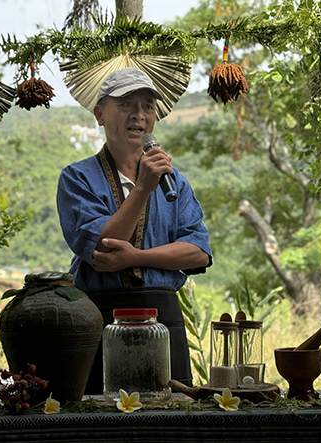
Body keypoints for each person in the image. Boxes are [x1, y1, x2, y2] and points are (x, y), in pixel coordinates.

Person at [56, 67, 212, 393]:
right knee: (103, 423)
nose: (139, 115)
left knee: (170, 423)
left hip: (164, 317)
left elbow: (198, 253)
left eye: (148, 106)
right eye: (126, 104)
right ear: (100, 114)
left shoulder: (175, 182)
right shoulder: (77, 178)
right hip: (101, 319)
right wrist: (143, 187)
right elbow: (104, 246)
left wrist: (134, 258)